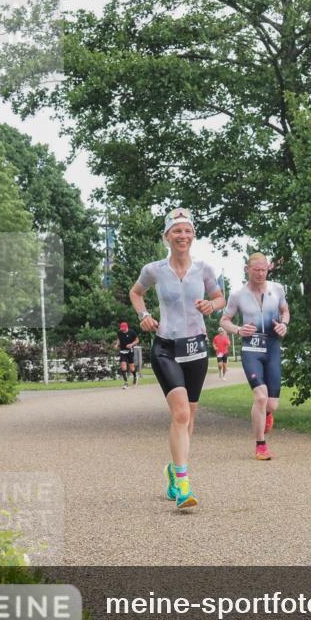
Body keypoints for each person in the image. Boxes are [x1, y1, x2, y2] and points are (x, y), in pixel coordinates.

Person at [130, 208, 225, 510]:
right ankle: (184, 485)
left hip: (196, 348)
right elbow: (136, 293)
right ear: (166, 236)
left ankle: (174, 469)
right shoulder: (154, 270)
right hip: (166, 348)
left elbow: (220, 298)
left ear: (193, 235)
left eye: (187, 230)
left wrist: (212, 305)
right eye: (176, 231)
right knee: (181, 414)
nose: (182, 236)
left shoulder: (204, 269)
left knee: (189, 418)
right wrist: (144, 315)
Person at [219, 252, 289, 460]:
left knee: (271, 404)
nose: (260, 274)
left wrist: (284, 325)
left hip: (272, 348)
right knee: (260, 396)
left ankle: (266, 414)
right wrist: (238, 330)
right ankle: (260, 446)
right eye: (256, 270)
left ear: (268, 269)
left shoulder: (277, 289)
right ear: (247, 269)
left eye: (264, 270)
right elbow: (224, 320)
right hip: (251, 350)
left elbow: (285, 311)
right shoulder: (237, 295)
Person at [115, 321, 140, 389]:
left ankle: (135, 377)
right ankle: (126, 382)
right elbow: (119, 339)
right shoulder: (120, 333)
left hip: (130, 351)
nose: (122, 330)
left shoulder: (132, 332)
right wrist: (117, 344)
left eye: (123, 329)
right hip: (122, 351)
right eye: (121, 329)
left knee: (132, 368)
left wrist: (131, 344)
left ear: (126, 327)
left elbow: (137, 340)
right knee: (123, 367)